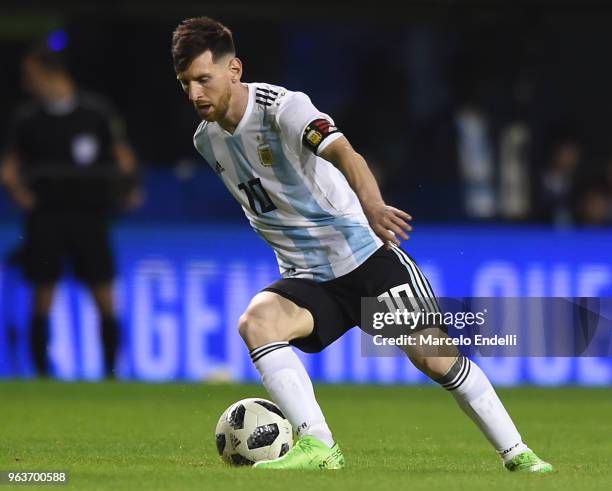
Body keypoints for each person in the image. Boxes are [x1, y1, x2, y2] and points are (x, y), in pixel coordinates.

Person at [171, 17, 553, 472]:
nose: (195, 94)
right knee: (257, 322)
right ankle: (318, 447)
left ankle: (518, 454)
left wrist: (372, 205)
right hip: (309, 278)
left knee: (435, 358)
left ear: (234, 70)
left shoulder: (283, 109)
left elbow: (344, 152)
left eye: (203, 79)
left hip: (363, 256)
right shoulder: (206, 141)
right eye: (185, 83)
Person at [0, 44, 140, 378]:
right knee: (43, 293)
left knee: (104, 294)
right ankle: (42, 375)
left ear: (49, 73)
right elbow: (9, 169)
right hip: (46, 218)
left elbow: (124, 159)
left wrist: (127, 189)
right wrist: (23, 197)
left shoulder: (95, 113)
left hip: (89, 216)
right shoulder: (28, 119)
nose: (25, 82)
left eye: (29, 75)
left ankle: (110, 374)